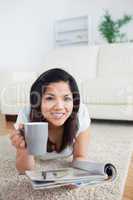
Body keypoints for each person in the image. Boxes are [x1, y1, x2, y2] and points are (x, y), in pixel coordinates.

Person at [10, 68, 91, 173]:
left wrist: (76, 177)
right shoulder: (26, 115)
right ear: (38, 102)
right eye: (50, 98)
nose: (59, 107)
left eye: (66, 98)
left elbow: (80, 156)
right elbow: (24, 169)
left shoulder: (80, 114)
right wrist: (23, 149)